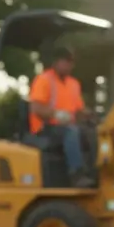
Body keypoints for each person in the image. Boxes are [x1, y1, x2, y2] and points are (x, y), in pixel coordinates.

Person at [28, 47, 94, 188]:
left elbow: (79, 110)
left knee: (92, 133)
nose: (69, 66)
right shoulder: (44, 80)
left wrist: (90, 115)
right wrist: (56, 114)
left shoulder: (73, 84)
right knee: (71, 131)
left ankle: (95, 173)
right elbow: (36, 108)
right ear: (56, 62)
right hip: (45, 128)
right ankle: (76, 174)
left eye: (71, 63)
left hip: (66, 127)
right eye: (66, 62)